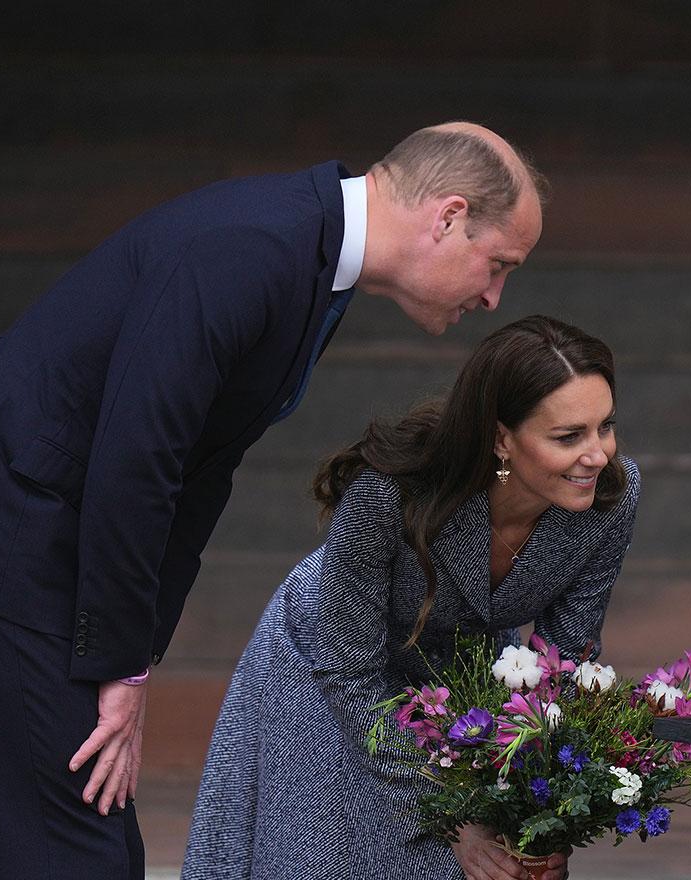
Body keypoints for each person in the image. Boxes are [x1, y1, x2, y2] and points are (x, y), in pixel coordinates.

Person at [0, 121, 546, 880]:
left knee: (90, 839)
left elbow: (200, 468)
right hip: (1, 532)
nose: (494, 295)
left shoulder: (308, 249)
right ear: (449, 216)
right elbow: (140, 458)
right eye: (497, 265)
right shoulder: (256, 246)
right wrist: (122, 667)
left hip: (44, 533)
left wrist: (135, 655)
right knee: (72, 847)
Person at [182, 315, 639, 880]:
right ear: (501, 438)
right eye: (569, 437)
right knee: (344, 853)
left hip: (462, 676)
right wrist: (459, 812)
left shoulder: (612, 497)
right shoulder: (387, 491)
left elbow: (561, 662)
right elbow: (349, 674)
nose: (597, 455)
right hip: (330, 672)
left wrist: (538, 812)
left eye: (606, 426)